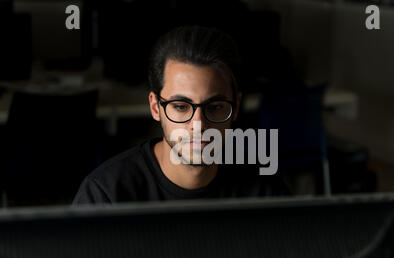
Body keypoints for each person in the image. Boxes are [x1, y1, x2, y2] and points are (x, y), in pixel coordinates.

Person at [73, 26, 289, 204]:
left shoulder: (264, 190)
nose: (198, 124)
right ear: (156, 107)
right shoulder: (106, 195)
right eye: (181, 106)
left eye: (214, 107)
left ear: (236, 107)